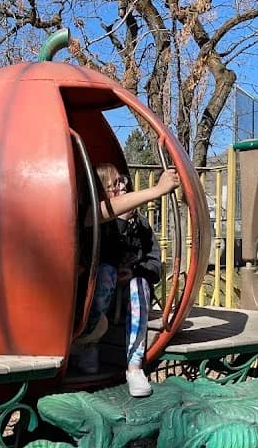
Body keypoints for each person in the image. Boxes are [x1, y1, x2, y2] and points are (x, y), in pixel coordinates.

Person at [72, 163, 179, 397]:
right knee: (106, 273)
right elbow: (99, 250)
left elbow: (154, 262)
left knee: (138, 283)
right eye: (115, 185)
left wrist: (136, 273)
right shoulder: (93, 220)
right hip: (96, 304)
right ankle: (88, 342)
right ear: (102, 193)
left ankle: (134, 366)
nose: (124, 186)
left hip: (130, 299)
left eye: (123, 181)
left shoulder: (140, 224)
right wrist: (121, 220)